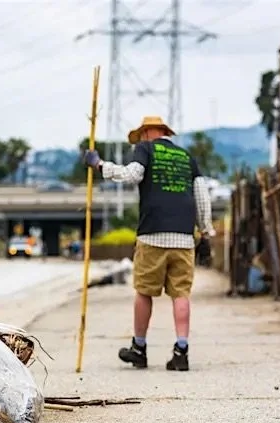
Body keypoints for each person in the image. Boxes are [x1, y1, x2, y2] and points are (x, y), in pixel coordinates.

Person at [83, 115, 215, 372]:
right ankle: (181, 351)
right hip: (183, 238)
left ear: (145, 133)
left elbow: (132, 175)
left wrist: (99, 165)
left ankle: (139, 348)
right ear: (165, 131)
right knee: (181, 294)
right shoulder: (187, 158)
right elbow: (202, 197)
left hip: (152, 235)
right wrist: (205, 232)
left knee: (144, 291)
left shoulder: (145, 149)